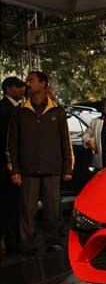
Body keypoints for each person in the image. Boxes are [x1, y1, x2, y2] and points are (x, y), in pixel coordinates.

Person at [6, 71, 74, 254]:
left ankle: (53, 241)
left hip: (52, 169)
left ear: (43, 84)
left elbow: (65, 141)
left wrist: (68, 167)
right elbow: (12, 143)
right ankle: (27, 244)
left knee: (53, 209)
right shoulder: (20, 112)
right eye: (27, 81)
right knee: (27, 211)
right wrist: (14, 170)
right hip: (27, 171)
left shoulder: (57, 111)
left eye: (31, 80)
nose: (28, 84)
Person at [0, 77, 26, 255]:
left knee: (17, 204)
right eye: (18, 86)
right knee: (8, 204)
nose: (22, 89)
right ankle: (10, 241)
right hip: (6, 166)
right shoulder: (4, 109)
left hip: (18, 164)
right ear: (8, 89)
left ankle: (14, 240)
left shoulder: (20, 108)